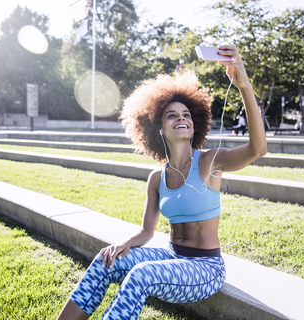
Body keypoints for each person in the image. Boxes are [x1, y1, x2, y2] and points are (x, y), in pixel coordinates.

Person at [56, 45, 267, 320]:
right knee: (105, 260)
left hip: (205, 268)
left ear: (195, 124)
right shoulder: (157, 178)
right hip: (171, 257)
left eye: (186, 115)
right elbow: (146, 231)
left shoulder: (210, 162)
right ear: (158, 128)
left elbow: (257, 149)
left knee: (140, 275)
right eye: (172, 115)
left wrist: (244, 86)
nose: (181, 118)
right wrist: (125, 243)